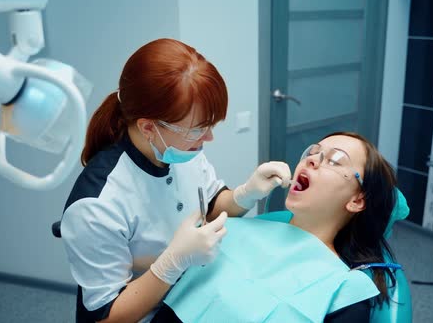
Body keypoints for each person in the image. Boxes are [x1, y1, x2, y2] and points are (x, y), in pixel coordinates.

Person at [59, 38, 292, 323]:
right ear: (148, 127)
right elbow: (108, 317)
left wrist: (245, 194)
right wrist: (172, 262)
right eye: (197, 129)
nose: (208, 138)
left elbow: (212, 205)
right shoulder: (96, 204)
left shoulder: (182, 151)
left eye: (210, 126)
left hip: (190, 298)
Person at [153, 132, 405, 322]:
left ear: (357, 200)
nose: (311, 161)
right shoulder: (229, 230)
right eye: (312, 152)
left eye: (335, 161)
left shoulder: (343, 290)